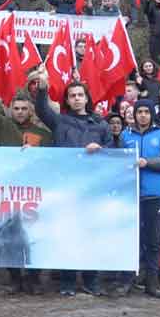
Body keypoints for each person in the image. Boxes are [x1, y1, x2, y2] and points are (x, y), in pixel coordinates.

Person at [33, 76, 112, 296]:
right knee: (66, 233)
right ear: (67, 100)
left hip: (93, 189)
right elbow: (41, 109)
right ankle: (67, 282)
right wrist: (42, 89)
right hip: (66, 187)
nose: (77, 99)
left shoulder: (101, 125)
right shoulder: (59, 121)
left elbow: (113, 155)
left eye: (80, 95)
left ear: (87, 98)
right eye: (72, 96)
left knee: (91, 235)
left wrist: (102, 149)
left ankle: (90, 280)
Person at [0, 72, 49, 294]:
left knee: (33, 235)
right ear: (11, 109)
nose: (20, 112)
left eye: (24, 108)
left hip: (34, 193)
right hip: (8, 192)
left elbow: (51, 160)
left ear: (31, 110)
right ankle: (15, 277)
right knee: (10, 234)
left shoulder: (43, 133)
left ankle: (34, 278)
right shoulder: (3, 125)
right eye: (16, 108)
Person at [120, 104, 160, 298]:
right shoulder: (125, 136)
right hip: (130, 194)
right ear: (134, 115)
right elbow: (118, 160)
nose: (143, 115)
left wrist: (148, 162)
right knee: (130, 239)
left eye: (146, 112)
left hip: (155, 194)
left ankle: (152, 284)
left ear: (152, 115)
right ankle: (127, 282)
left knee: (152, 241)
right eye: (139, 112)